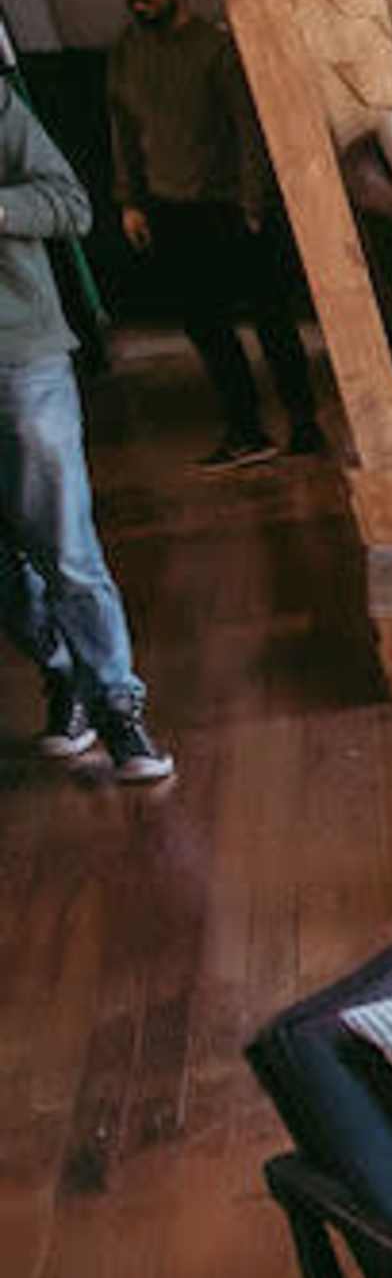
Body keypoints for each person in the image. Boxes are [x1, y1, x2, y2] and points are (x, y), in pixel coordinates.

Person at [0, 78, 171, 781]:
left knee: (64, 546)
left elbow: (69, 203)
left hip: (21, 357)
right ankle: (62, 670)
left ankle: (118, 707)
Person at [108, 0, 323, 468]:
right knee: (205, 326)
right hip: (169, 207)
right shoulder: (126, 52)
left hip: (231, 206)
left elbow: (248, 128)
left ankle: (304, 423)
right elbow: (122, 130)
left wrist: (254, 202)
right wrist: (130, 200)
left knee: (271, 320)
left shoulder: (218, 48)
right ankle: (245, 430)